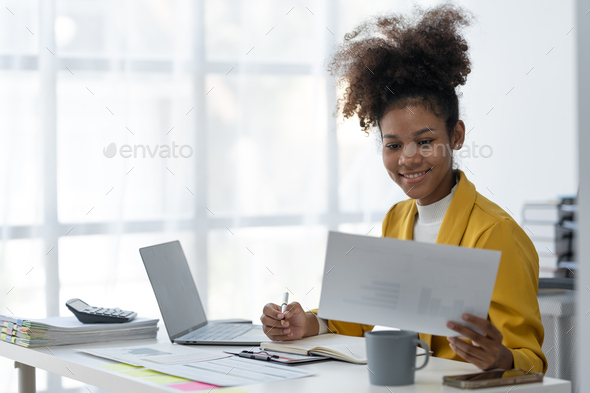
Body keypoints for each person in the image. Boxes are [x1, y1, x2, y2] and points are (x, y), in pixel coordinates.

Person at [260, 4, 547, 374]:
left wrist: (502, 359)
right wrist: (311, 323)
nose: (408, 159)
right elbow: (371, 312)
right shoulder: (397, 218)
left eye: (425, 142)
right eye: (393, 145)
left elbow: (532, 362)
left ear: (455, 136)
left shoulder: (495, 233)